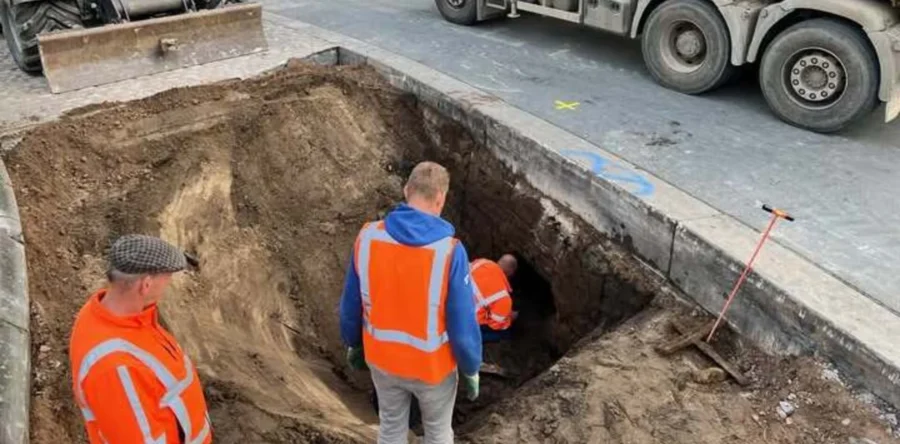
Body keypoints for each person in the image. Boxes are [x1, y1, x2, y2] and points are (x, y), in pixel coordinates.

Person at [339, 161, 482, 444]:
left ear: (406, 190)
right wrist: (470, 367)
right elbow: (462, 323)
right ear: (440, 199)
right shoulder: (449, 252)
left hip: (382, 360)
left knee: (391, 428)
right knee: (438, 433)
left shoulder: (368, 237)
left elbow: (350, 304)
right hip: (432, 369)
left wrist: (353, 342)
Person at [69, 234, 211, 444]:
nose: (168, 285)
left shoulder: (112, 313)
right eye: (167, 278)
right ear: (145, 285)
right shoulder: (115, 368)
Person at [470, 254, 518, 342]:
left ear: (498, 262)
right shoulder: (504, 298)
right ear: (511, 273)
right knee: (504, 333)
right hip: (464, 320)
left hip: (451, 299)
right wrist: (510, 317)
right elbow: (495, 325)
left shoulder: (481, 262)